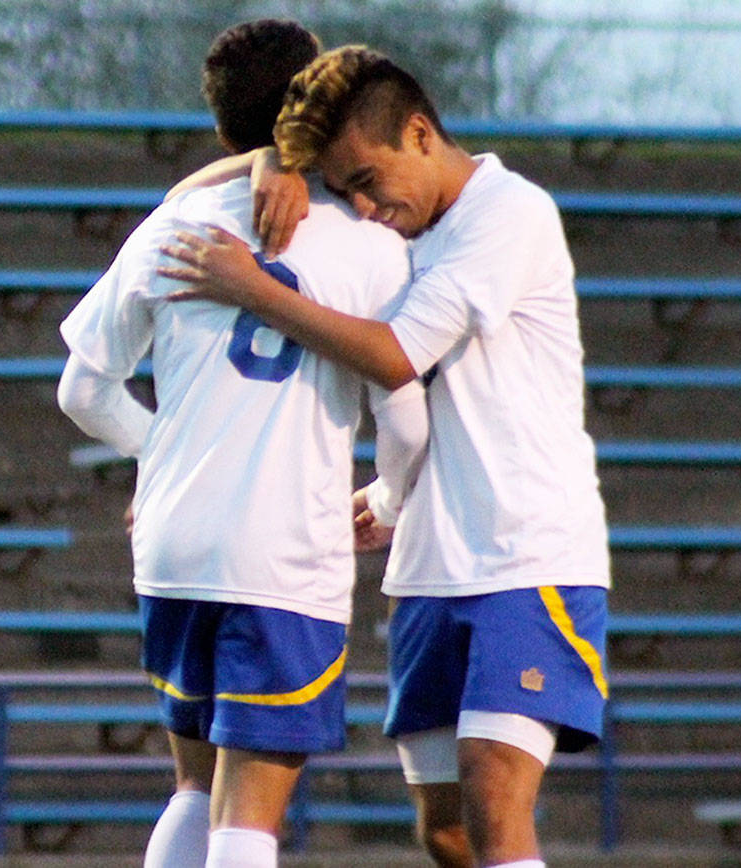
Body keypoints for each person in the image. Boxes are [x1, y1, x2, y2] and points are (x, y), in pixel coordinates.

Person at [159, 45, 611, 868]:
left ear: (419, 131)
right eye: (345, 189)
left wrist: (258, 290)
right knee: (443, 830)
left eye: (367, 179)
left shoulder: (510, 214)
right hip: (428, 563)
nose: (362, 206)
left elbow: (399, 355)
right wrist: (269, 164)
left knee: (493, 793)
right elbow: (186, 195)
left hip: (527, 553)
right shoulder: (400, 235)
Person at [57, 26, 428, 868]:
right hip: (283, 551)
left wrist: (169, 456)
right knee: (250, 813)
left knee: (194, 788)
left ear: (224, 129)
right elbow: (406, 417)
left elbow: (81, 390)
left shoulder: (173, 225)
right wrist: (388, 502)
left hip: (175, 543)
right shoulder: (372, 247)